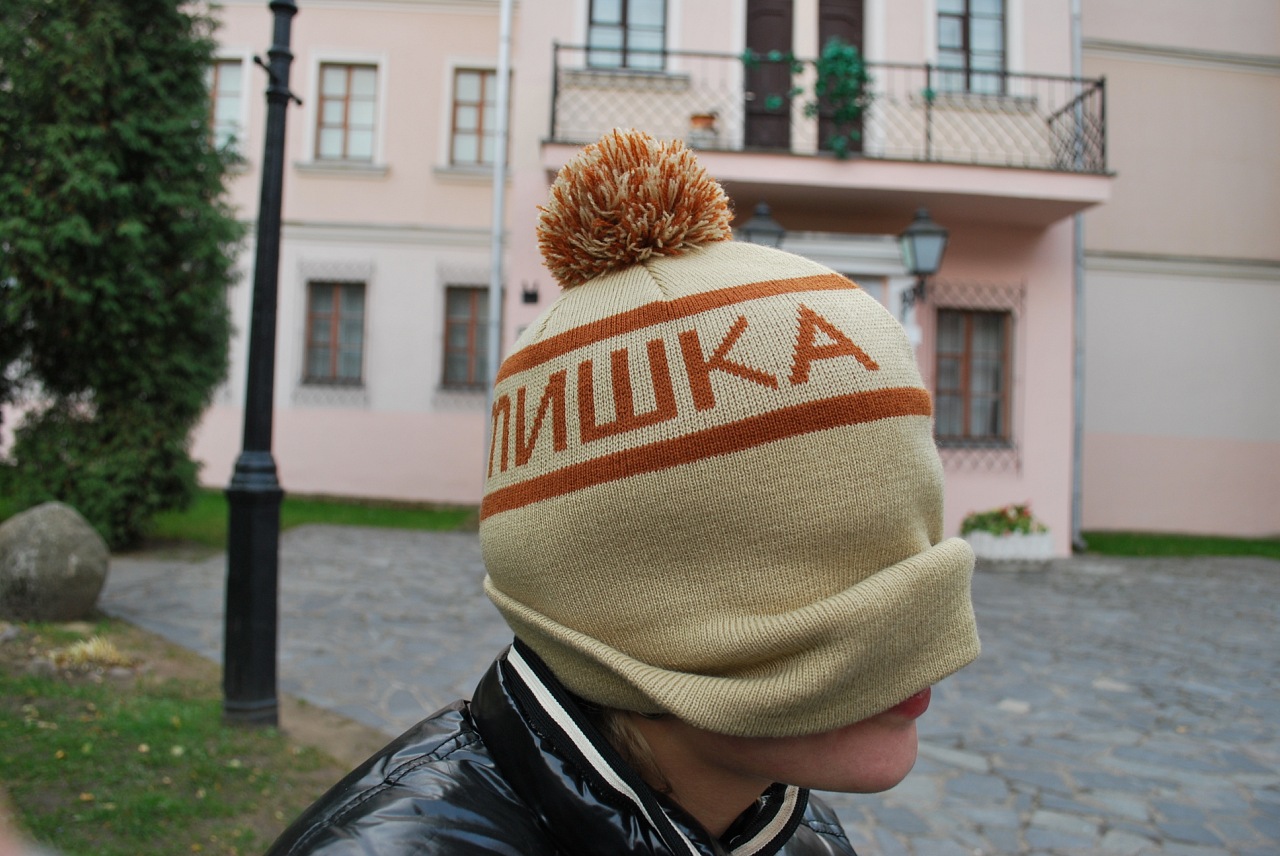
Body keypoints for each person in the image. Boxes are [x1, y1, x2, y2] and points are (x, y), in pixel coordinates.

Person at [266, 129, 980, 856]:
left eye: (911, 540)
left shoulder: (793, 832)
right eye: (832, 557)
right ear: (625, 599)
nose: (923, 631)